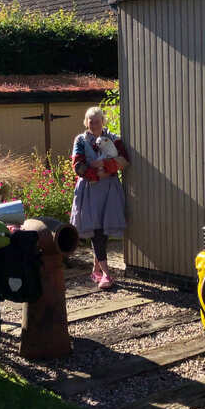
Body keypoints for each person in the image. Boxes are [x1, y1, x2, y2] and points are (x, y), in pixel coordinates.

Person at [70, 106, 129, 289]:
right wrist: (97, 175)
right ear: (85, 122)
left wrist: (104, 164)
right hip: (89, 190)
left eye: (96, 121)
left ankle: (96, 270)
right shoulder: (80, 140)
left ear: (102, 121)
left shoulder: (113, 138)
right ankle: (107, 274)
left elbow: (124, 160)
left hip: (109, 190)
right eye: (90, 121)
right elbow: (77, 165)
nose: (93, 124)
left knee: (102, 231)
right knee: (96, 231)